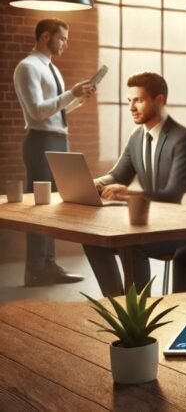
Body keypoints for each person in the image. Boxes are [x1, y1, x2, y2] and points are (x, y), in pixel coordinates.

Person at [83, 72, 186, 296]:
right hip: (151, 223)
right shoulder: (137, 137)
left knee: (130, 243)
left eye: (139, 100)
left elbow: (175, 194)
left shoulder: (185, 140)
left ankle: (138, 309)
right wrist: (95, 183)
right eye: (129, 101)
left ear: (159, 101)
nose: (131, 107)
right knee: (93, 239)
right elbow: (118, 174)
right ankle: (117, 302)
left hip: (182, 230)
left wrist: (127, 193)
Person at [13, 18, 95, 287]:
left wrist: (77, 99)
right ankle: (35, 268)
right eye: (62, 38)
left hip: (58, 139)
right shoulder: (27, 67)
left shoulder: (52, 70)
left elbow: (54, 112)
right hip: (40, 141)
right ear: (46, 37)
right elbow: (36, 112)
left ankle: (47, 265)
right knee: (40, 206)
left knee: (54, 206)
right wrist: (70, 93)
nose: (65, 44)